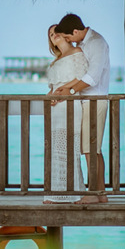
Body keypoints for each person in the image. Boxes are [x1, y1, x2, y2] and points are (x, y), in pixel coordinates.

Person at [49, 13, 110, 203]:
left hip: (95, 100)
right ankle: (100, 194)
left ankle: (94, 195)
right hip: (86, 101)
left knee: (91, 149)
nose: (69, 41)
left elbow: (93, 77)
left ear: (75, 32)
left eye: (68, 37)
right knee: (91, 149)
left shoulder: (96, 43)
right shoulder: (84, 44)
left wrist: (71, 90)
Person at [44, 25, 87, 204]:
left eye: (56, 32)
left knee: (69, 148)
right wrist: (50, 97)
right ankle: (54, 193)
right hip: (55, 108)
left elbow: (82, 76)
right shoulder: (55, 60)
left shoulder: (77, 51)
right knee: (54, 149)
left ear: (64, 33)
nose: (54, 36)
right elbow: (52, 87)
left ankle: (74, 192)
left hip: (69, 101)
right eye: (50, 35)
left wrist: (64, 92)